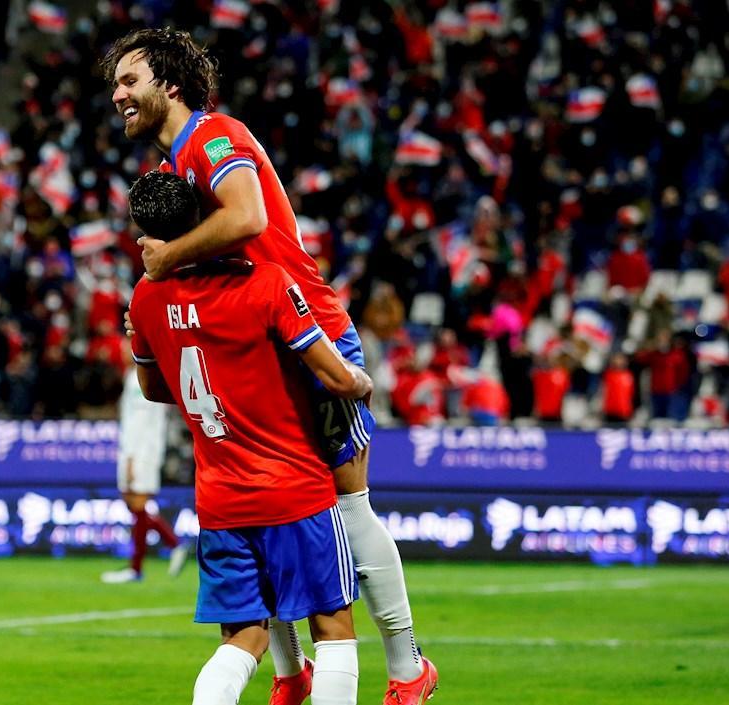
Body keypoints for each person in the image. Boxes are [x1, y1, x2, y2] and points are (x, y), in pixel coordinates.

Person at [102, 30, 436, 703]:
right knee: (269, 506)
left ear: (170, 83)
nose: (118, 95)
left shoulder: (212, 136)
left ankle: (406, 668)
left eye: (130, 79)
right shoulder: (175, 165)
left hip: (310, 329)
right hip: (254, 336)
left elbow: (249, 216)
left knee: (344, 508)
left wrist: (166, 262)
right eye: (115, 84)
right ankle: (291, 673)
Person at [127, 171, 368, 705]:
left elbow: (153, 388)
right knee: (333, 631)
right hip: (295, 490)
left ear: (147, 236)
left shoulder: (145, 298)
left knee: (243, 640)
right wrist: (361, 381)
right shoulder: (266, 283)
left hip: (221, 502)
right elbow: (334, 377)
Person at [100, 359, 189, 584]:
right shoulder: (135, 376)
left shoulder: (142, 377)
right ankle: (173, 544)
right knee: (133, 504)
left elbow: (140, 422)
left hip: (142, 451)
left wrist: (131, 457)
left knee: (138, 504)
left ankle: (137, 567)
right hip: (137, 449)